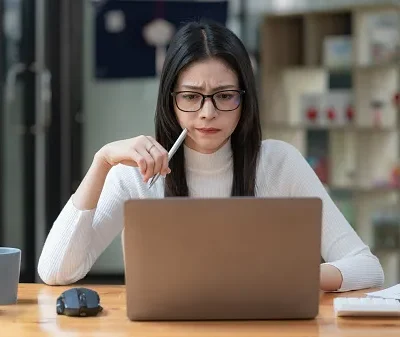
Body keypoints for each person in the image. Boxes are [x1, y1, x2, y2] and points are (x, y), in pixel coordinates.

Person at [38, 20, 384, 291]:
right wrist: (101, 161)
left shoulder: (280, 162)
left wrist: (285, 278)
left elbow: (366, 267)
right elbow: (56, 272)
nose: (207, 113)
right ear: (169, 100)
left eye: (224, 95)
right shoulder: (136, 174)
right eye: (191, 96)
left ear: (244, 100)